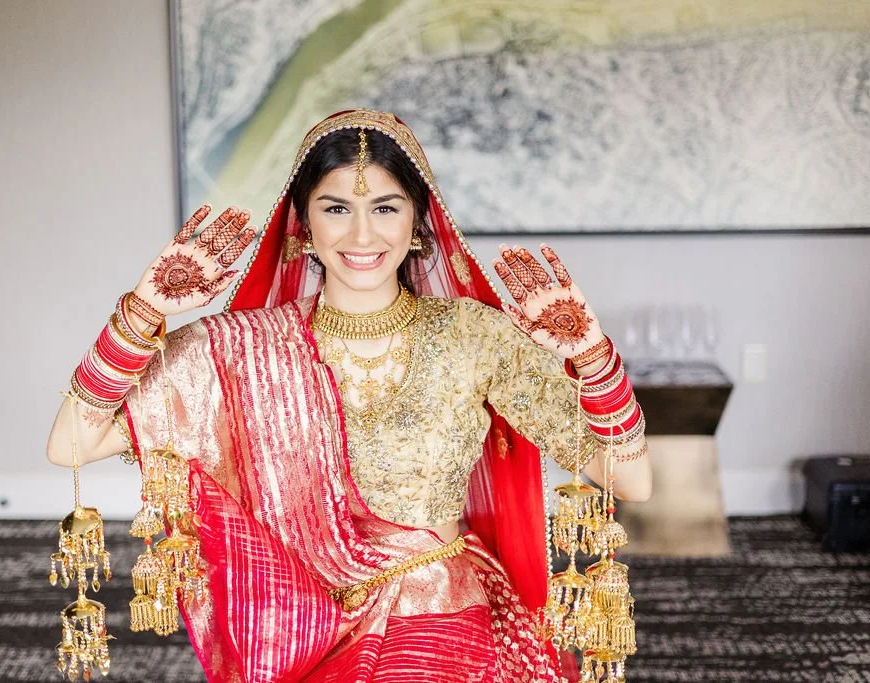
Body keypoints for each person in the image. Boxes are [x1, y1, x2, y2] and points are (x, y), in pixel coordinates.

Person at [46, 109, 651, 682]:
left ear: (418, 221)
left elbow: (630, 480)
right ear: (304, 225)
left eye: (386, 207)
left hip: (440, 611)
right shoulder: (245, 348)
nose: (362, 233)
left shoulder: (472, 335)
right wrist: (145, 311)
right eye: (337, 207)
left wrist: (595, 362)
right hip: (301, 625)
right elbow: (74, 440)